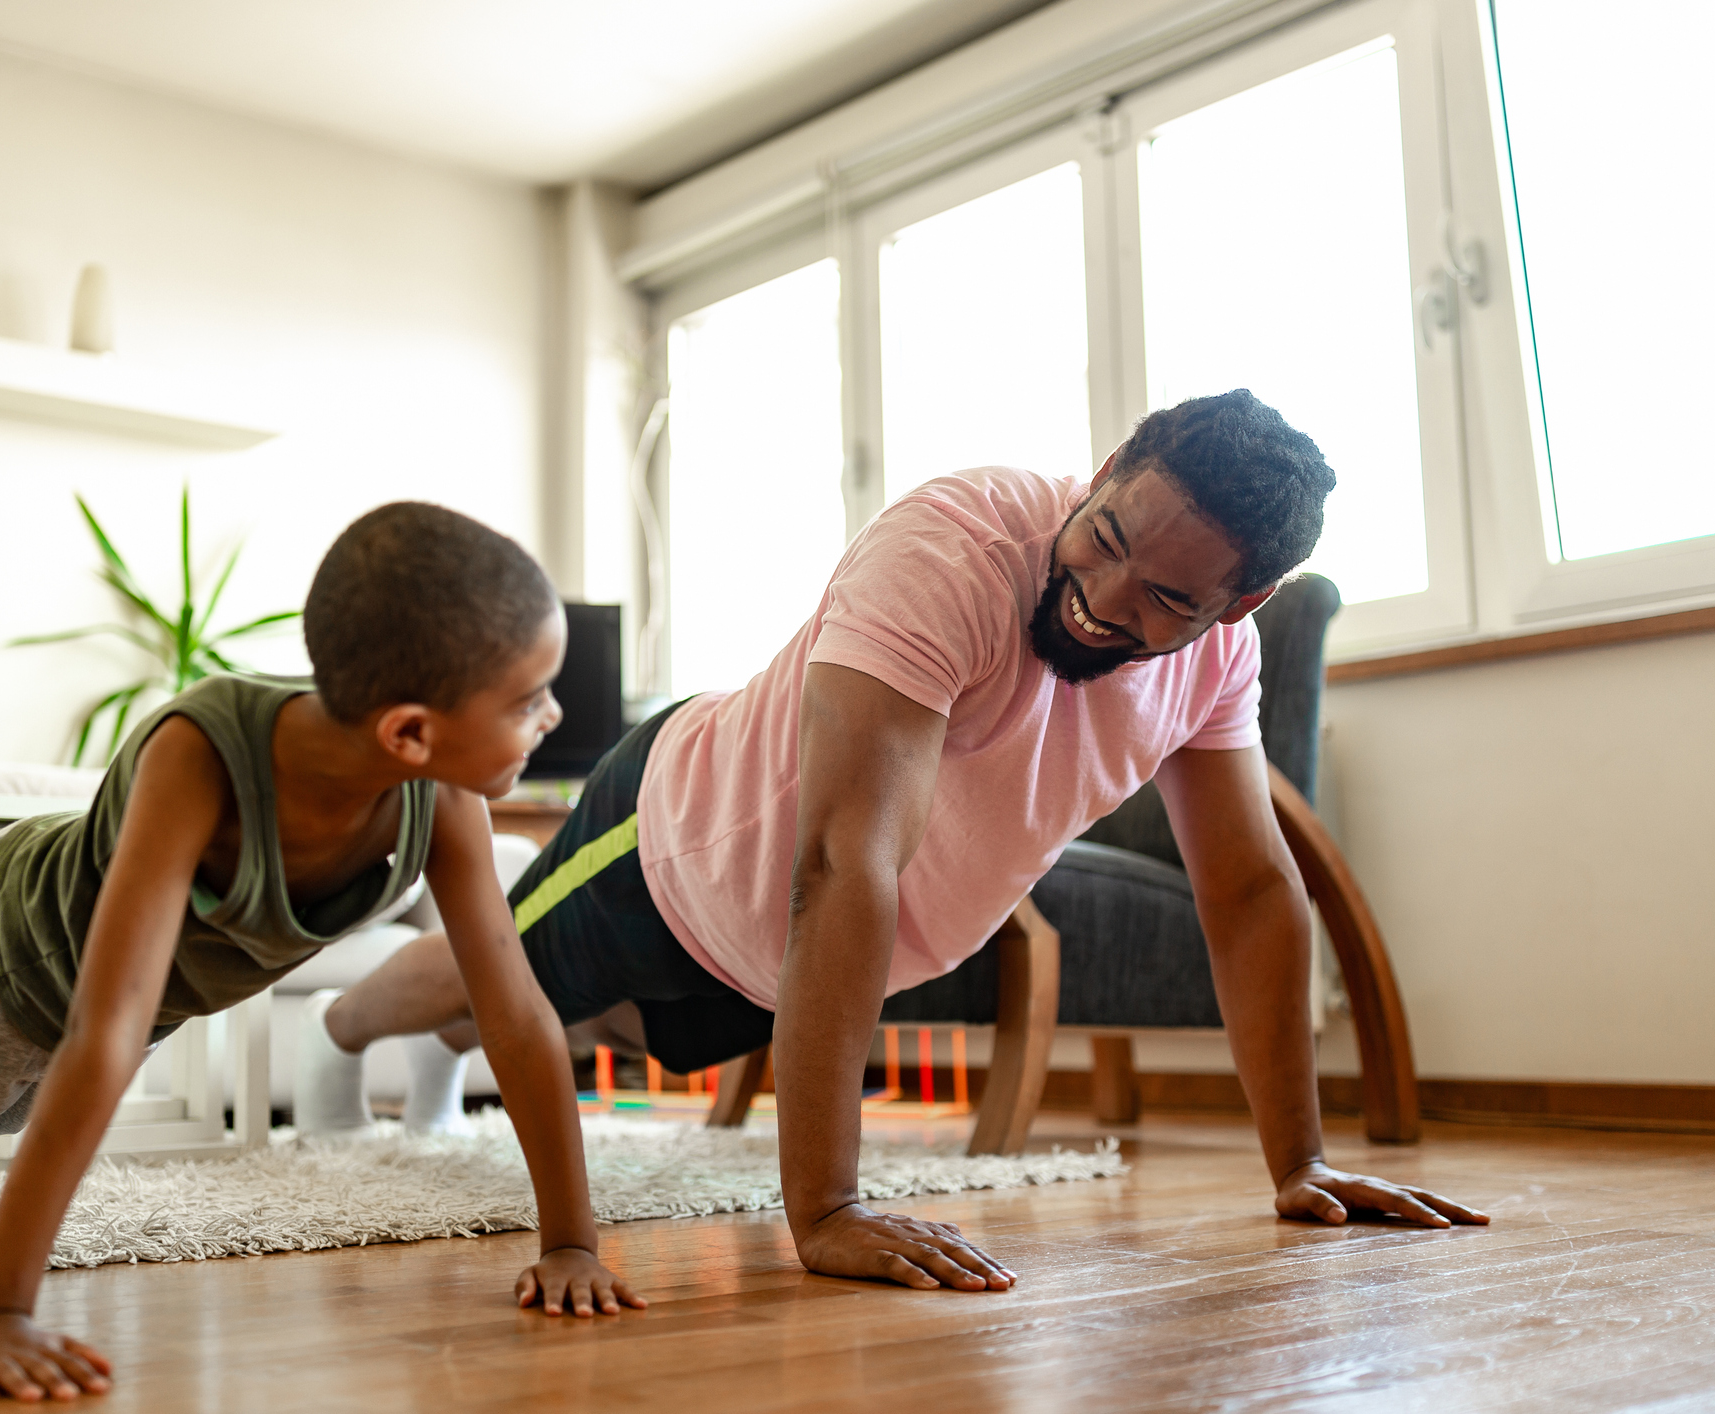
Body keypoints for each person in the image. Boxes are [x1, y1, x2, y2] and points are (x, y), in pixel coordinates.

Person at [310, 390, 1489, 1295]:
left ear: (1236, 607)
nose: (1106, 593)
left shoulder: (1219, 662)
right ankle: (343, 1033)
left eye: (1168, 599)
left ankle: (436, 1062)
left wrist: (1301, 1164)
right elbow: (843, 859)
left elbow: (1245, 888)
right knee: (503, 970)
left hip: (786, 961)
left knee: (599, 1027)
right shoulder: (954, 549)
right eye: (1110, 532)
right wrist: (825, 1211)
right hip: (678, 838)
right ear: (1111, 468)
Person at [0, 502, 645, 1402]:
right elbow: (101, 1036)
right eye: (529, 699)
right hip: (5, 950)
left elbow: (511, 1013)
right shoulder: (198, 753)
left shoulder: (442, 802)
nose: (552, 717)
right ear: (411, 732)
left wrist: (569, 1242)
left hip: (121, 998)